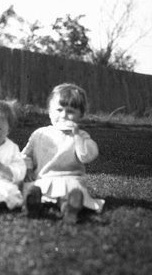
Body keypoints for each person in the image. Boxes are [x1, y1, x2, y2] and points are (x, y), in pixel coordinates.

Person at [21, 83, 105, 222]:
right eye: (59, 110)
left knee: (70, 193)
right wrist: (29, 168)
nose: (64, 115)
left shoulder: (82, 136)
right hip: (44, 178)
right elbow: (26, 154)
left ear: (81, 115)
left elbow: (85, 157)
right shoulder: (40, 134)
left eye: (70, 111)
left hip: (71, 179)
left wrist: (77, 135)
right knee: (32, 189)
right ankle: (33, 205)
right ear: (49, 111)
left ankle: (69, 208)